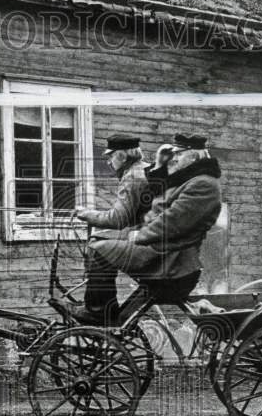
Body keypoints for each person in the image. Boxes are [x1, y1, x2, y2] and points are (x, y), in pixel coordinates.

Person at [74, 132, 222, 324]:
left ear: (194, 154)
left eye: (179, 153)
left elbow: (171, 222)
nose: (174, 158)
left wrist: (138, 236)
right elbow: (158, 199)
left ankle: (98, 312)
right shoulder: (190, 179)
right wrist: (160, 166)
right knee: (103, 248)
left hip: (171, 264)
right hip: (167, 257)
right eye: (173, 153)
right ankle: (104, 313)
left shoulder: (203, 184)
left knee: (99, 249)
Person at [72, 133, 151, 323]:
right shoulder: (142, 170)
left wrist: (85, 214)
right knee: (100, 239)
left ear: (122, 156)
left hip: (147, 241)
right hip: (147, 233)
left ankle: (99, 311)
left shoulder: (132, 177)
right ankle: (104, 306)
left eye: (110, 156)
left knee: (100, 250)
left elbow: (118, 219)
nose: (108, 162)